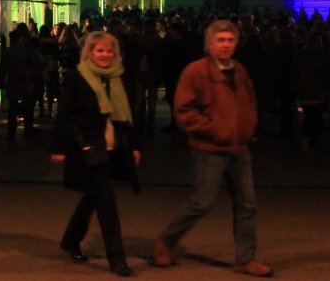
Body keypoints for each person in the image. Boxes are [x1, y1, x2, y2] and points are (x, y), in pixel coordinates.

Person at [154, 20, 271, 277]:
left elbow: (250, 102)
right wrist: (212, 129)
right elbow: (184, 110)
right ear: (209, 44)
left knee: (247, 204)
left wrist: (248, 127)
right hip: (209, 147)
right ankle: (167, 240)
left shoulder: (239, 71)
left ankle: (246, 258)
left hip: (238, 147)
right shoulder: (196, 71)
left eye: (230, 40)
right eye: (220, 40)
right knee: (202, 202)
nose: (226, 45)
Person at [51, 30, 140, 276]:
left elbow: (129, 115)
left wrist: (134, 145)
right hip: (88, 147)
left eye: (110, 51)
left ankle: (71, 240)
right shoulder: (77, 77)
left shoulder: (119, 76)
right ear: (89, 53)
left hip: (114, 147)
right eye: (100, 50)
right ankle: (117, 258)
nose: (105, 55)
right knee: (106, 200)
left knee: (93, 196)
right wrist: (58, 147)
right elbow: (64, 114)